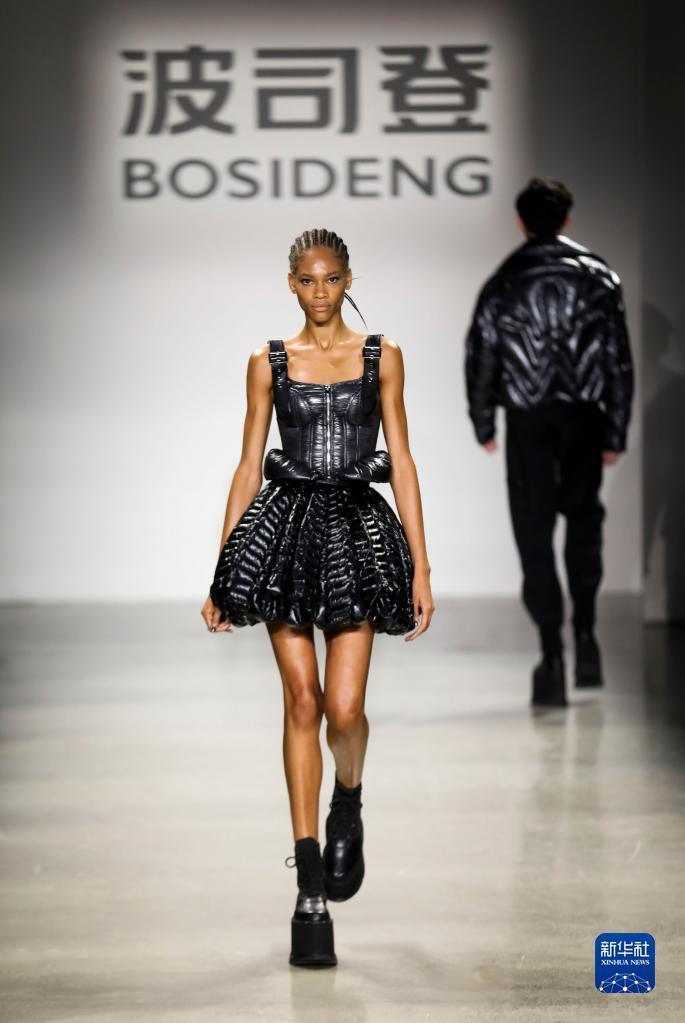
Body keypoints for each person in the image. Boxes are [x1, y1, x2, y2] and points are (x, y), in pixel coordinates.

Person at [200, 228, 433, 968]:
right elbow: (248, 465)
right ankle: (308, 885)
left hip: (358, 538)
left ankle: (348, 798)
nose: (320, 291)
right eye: (308, 279)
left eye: (331, 278)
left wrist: (422, 567)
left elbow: (402, 461)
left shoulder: (382, 355)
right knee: (301, 701)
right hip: (285, 537)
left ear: (348, 279)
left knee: (344, 708)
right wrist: (224, 566)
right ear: (291, 283)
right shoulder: (267, 361)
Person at [464, 178, 633, 707]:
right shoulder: (599, 277)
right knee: (584, 525)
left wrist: (484, 422)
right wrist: (616, 429)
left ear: (521, 222)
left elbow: (482, 354)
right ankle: (585, 635)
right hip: (584, 416)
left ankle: (552, 656)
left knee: (534, 534)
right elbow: (618, 360)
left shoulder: (504, 282)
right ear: (567, 218)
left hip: (528, 420)